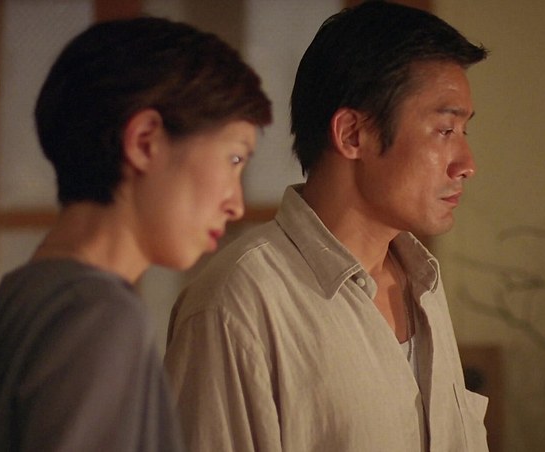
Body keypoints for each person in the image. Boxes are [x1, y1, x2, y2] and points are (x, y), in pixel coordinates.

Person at [0, 17, 271, 451]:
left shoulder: (25, 291)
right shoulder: (102, 317)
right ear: (145, 141)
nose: (236, 204)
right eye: (234, 159)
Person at [164, 1, 489, 451]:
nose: (466, 164)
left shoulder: (422, 283)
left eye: (464, 132)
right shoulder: (238, 303)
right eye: (445, 130)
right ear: (353, 134)